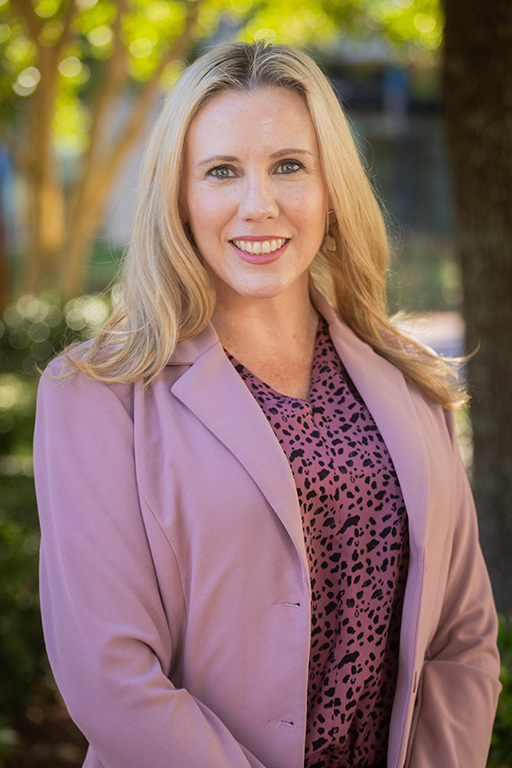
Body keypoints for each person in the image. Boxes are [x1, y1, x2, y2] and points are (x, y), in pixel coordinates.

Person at [34, 41, 501, 768]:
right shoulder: (97, 395)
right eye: (222, 171)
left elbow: (461, 640)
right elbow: (111, 676)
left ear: (331, 186)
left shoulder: (411, 385)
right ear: (180, 197)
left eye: (290, 165)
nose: (261, 205)